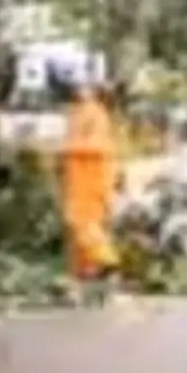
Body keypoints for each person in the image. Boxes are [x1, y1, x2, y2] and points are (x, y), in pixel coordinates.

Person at [56, 73, 122, 282]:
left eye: (84, 86)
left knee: (82, 223)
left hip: (93, 176)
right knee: (80, 226)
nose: (78, 90)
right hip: (79, 176)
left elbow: (98, 146)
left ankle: (108, 261)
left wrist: (66, 149)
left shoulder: (95, 113)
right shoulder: (77, 112)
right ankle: (85, 271)